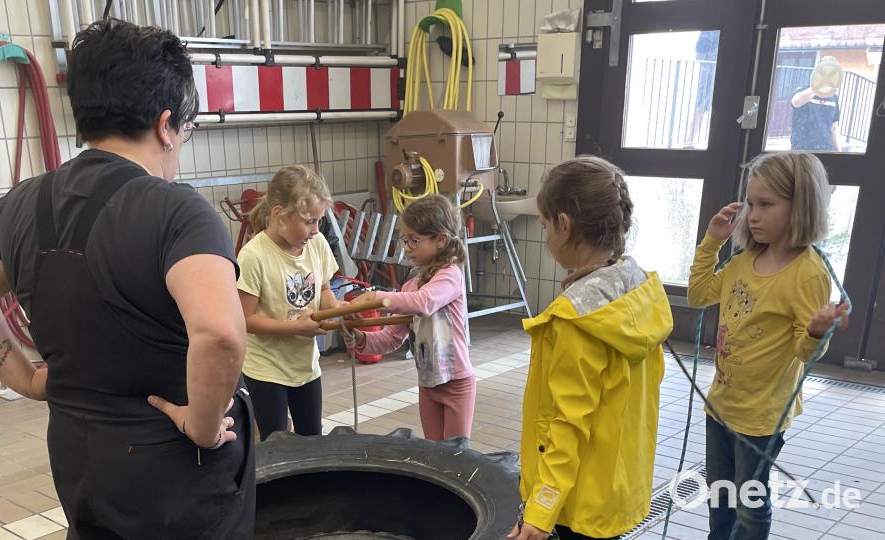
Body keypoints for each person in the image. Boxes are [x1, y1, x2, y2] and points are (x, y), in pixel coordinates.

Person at [0, 19, 255, 539]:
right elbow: (220, 333)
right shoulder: (177, 211)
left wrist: (28, 379)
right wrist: (201, 423)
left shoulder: (22, 202)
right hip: (175, 465)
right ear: (167, 124)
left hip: (79, 454)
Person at [508, 157, 672, 540]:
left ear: (564, 227)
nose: (546, 234)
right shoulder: (638, 290)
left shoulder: (574, 320)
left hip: (576, 504)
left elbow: (565, 423)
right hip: (618, 489)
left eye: (545, 225)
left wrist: (540, 512)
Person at [688, 151, 849, 539]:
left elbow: (804, 354)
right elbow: (697, 295)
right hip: (722, 404)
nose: (753, 215)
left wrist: (815, 331)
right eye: (750, 204)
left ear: (800, 207)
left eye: (766, 205)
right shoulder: (744, 260)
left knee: (749, 509)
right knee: (719, 498)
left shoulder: (808, 274)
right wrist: (712, 242)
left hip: (760, 416)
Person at [345, 194, 476, 441]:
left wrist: (378, 298)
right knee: (432, 455)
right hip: (428, 384)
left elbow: (425, 302)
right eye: (405, 240)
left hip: (457, 383)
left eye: (414, 241)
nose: (406, 248)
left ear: (440, 240)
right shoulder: (410, 286)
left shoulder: (450, 275)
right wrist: (361, 338)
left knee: (456, 457)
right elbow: (392, 338)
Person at [237, 165, 343, 440]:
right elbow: (245, 320)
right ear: (279, 214)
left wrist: (343, 312)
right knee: (277, 443)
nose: (316, 230)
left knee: (312, 437)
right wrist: (295, 327)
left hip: (306, 365)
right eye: (309, 221)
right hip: (266, 369)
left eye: (319, 221)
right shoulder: (253, 256)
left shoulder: (316, 245)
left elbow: (323, 291)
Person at [790, 57, 843, 152]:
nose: (827, 76)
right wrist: (818, 85)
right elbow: (796, 102)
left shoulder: (834, 98)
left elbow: (834, 127)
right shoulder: (803, 90)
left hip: (825, 149)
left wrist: (839, 152)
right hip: (801, 150)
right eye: (824, 71)